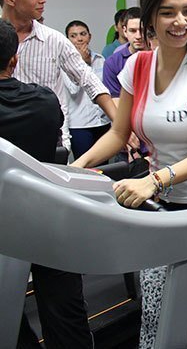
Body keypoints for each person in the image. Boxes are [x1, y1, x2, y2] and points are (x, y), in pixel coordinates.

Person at [70, 0, 187, 348]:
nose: (180, 22)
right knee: (156, 317)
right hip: (163, 211)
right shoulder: (138, 66)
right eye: (168, 12)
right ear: (150, 20)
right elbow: (117, 132)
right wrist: (75, 168)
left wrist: (155, 178)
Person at [0, 20, 93, 349]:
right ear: (15, 60)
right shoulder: (43, 100)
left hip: (7, 222)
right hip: (45, 215)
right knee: (65, 309)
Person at [0, 0, 116, 150]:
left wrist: (120, 125)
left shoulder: (53, 40)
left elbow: (88, 80)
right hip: (5, 144)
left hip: (50, 141)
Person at [64, 20, 111, 158]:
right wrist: (83, 63)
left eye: (83, 34)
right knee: (85, 169)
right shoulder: (64, 63)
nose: (79, 38)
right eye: (73, 36)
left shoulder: (100, 59)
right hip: (80, 125)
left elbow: (105, 89)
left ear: (89, 36)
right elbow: (73, 90)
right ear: (67, 40)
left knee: (104, 167)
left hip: (102, 122)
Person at [102, 7, 146, 99]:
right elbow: (115, 100)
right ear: (125, 31)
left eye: (142, 30)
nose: (138, 36)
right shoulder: (112, 63)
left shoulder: (160, 58)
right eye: (133, 31)